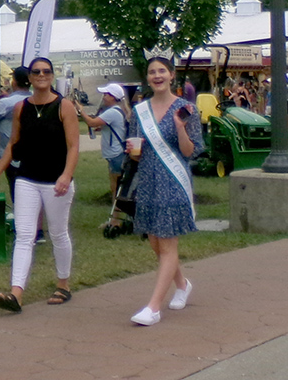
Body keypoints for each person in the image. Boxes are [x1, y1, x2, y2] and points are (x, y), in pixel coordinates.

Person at [0, 57, 80, 313]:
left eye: (46, 71)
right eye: (36, 71)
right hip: (26, 178)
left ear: (51, 75)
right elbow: (13, 144)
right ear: (29, 77)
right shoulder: (21, 107)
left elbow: (73, 146)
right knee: (24, 235)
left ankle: (63, 285)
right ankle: (16, 293)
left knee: (58, 234)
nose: (41, 75)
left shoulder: (64, 106)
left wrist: (66, 175)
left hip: (55, 182)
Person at [126, 56, 204, 326]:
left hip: (174, 181)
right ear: (147, 78)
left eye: (162, 71)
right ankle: (182, 285)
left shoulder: (186, 109)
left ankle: (153, 308)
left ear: (172, 75)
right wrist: (132, 151)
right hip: (147, 181)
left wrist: (181, 129)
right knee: (157, 244)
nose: (157, 76)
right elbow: (137, 155)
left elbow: (190, 152)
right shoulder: (140, 111)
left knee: (168, 243)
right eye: (152, 72)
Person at [0, 67, 32, 200]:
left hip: (12, 157)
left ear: (14, 82)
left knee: (17, 194)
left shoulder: (5, 103)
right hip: (33, 156)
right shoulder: (36, 99)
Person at [75, 82, 129, 203]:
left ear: (113, 97)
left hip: (115, 154)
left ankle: (115, 211)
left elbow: (91, 122)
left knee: (115, 186)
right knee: (116, 184)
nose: (104, 97)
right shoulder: (118, 111)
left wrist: (81, 111)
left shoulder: (112, 112)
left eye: (106, 94)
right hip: (117, 153)